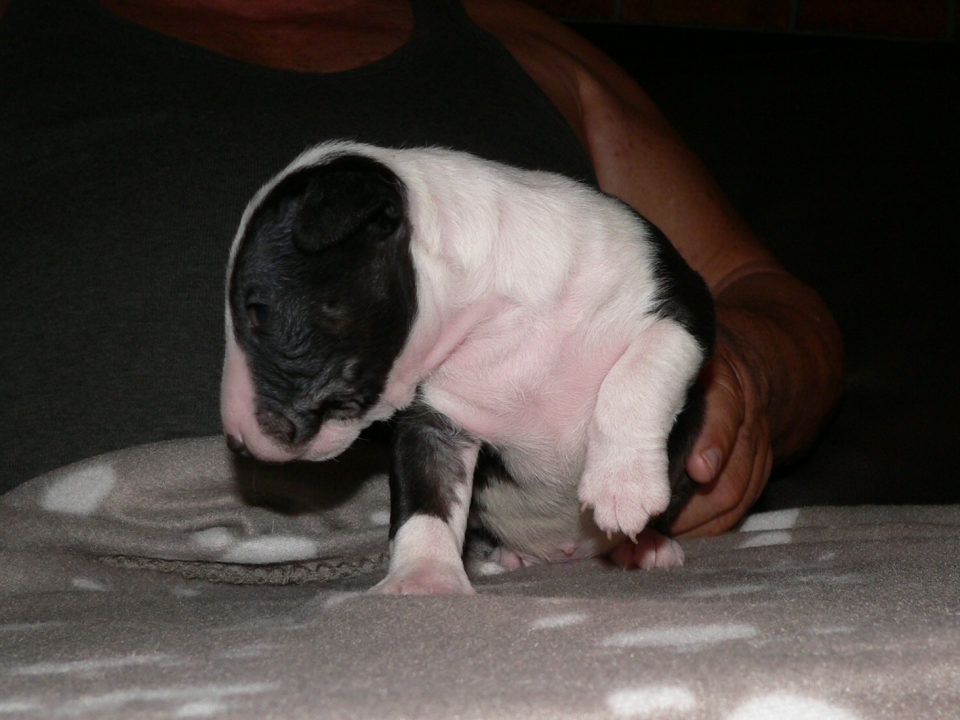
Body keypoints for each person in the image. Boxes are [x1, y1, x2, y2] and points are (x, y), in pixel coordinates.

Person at [0, 0, 843, 538]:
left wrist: (735, 375)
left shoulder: (522, 41)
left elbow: (756, 292)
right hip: (65, 567)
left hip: (517, 561)